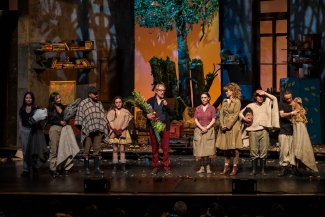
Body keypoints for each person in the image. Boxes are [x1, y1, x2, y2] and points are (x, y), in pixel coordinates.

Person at [239, 90, 279, 176]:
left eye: (262, 97)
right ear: (255, 97)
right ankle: (254, 170)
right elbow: (240, 113)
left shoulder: (266, 105)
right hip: (253, 130)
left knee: (264, 150)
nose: (260, 98)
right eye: (259, 96)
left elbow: (274, 99)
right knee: (254, 150)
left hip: (264, 130)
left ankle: (263, 170)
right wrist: (244, 118)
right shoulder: (251, 105)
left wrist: (265, 93)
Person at [75, 86, 107, 175]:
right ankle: (86, 169)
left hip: (97, 130)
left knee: (97, 149)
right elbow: (79, 117)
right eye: (94, 93)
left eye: (97, 93)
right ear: (89, 94)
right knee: (86, 150)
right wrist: (83, 129)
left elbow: (102, 116)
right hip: (87, 131)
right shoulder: (83, 104)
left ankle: (97, 168)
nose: (96, 95)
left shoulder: (99, 103)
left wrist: (102, 127)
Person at [145, 83, 174, 175]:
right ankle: (155, 167)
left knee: (165, 148)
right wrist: (147, 115)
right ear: (156, 91)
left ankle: (166, 167)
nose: (162, 92)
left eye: (163, 90)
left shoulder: (166, 101)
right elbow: (144, 111)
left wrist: (167, 105)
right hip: (153, 126)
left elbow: (172, 113)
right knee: (154, 148)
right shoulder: (150, 101)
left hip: (164, 126)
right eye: (160, 90)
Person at [215, 82, 242, 176]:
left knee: (234, 148)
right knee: (225, 147)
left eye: (227, 91)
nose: (226, 92)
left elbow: (235, 115)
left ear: (232, 91)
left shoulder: (237, 101)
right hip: (224, 126)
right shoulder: (224, 101)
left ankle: (235, 166)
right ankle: (226, 166)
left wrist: (228, 125)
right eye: (226, 91)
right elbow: (221, 114)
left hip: (233, 126)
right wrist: (222, 124)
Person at [18, 92, 44, 176]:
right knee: (25, 150)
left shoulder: (36, 108)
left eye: (30, 98)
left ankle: (35, 169)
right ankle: (26, 169)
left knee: (34, 150)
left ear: (32, 99)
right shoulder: (22, 109)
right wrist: (20, 130)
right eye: (27, 98)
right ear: (24, 99)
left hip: (33, 131)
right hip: (24, 130)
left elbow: (41, 118)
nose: (28, 99)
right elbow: (20, 120)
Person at [291, 97, 318, 173]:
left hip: (302, 129)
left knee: (303, 146)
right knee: (297, 147)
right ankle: (296, 166)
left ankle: (301, 165)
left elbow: (303, 119)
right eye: (297, 103)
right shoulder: (293, 110)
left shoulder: (302, 110)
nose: (298, 104)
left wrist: (303, 113)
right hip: (297, 129)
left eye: (299, 103)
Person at [278, 88, 301, 176]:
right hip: (284, 130)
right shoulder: (282, 103)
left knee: (293, 150)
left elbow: (301, 111)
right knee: (284, 151)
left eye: (289, 98)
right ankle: (283, 168)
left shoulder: (295, 103)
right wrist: (291, 113)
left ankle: (294, 168)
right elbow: (282, 114)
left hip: (294, 130)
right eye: (286, 98)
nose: (288, 100)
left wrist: (302, 112)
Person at [107, 96, 133, 172]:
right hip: (114, 131)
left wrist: (121, 130)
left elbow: (126, 122)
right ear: (114, 103)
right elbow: (110, 122)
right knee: (115, 149)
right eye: (116, 102)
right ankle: (115, 166)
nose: (118, 104)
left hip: (123, 132)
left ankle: (123, 166)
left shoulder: (125, 111)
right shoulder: (111, 112)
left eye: (119, 102)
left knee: (122, 149)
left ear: (122, 103)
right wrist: (115, 130)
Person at [193, 92, 216, 174]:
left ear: (208, 98)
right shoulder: (198, 108)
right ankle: (202, 166)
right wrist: (201, 127)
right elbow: (195, 119)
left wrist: (207, 127)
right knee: (200, 149)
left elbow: (213, 119)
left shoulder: (212, 108)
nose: (203, 99)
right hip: (199, 129)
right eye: (202, 97)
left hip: (209, 130)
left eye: (205, 97)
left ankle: (208, 166)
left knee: (208, 149)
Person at [47, 92, 67, 176]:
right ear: (53, 100)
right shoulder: (50, 108)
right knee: (54, 148)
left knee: (61, 148)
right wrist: (59, 122)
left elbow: (65, 116)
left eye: (59, 97)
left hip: (62, 129)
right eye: (57, 98)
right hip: (54, 128)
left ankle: (60, 167)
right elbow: (49, 120)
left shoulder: (62, 106)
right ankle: (52, 168)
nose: (59, 99)